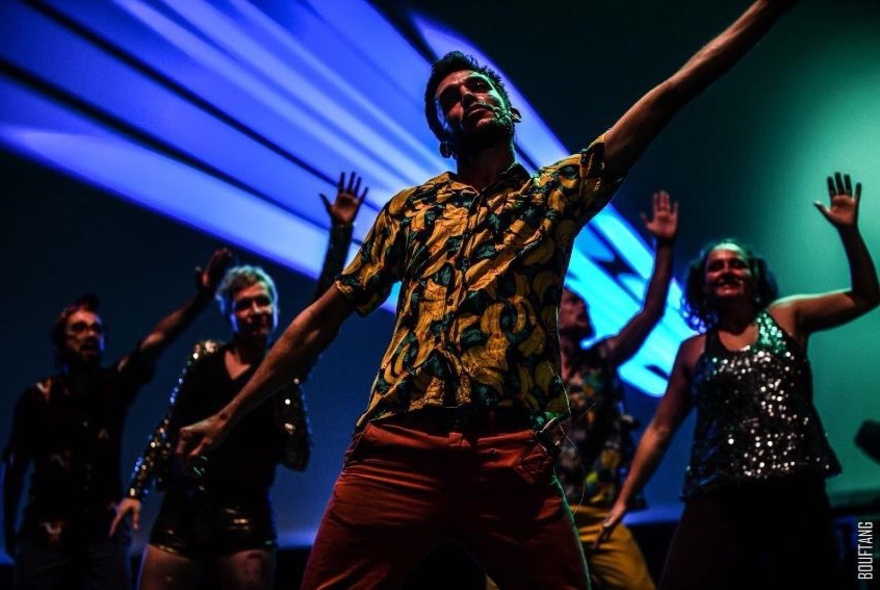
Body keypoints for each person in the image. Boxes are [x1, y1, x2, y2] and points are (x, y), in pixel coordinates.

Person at [176, 3, 800, 588]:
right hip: (397, 448)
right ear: (444, 133)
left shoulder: (552, 197)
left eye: (478, 87)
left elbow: (673, 92)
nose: (468, 97)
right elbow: (319, 322)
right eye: (451, 99)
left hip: (508, 458)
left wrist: (766, 10)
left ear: (508, 107)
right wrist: (229, 416)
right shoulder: (410, 211)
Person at [599, 172, 879, 589]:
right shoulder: (693, 350)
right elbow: (660, 429)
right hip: (719, 493)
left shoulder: (788, 316)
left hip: (794, 485)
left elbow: (866, 296)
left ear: (753, 276)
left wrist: (849, 233)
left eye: (736, 264)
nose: (727, 271)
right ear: (703, 284)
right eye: (716, 267)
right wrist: (624, 497)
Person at [109, 173, 367, 590]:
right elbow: (169, 424)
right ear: (230, 314)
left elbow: (322, 307)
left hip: (246, 516)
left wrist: (341, 233)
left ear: (275, 311)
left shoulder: (283, 368)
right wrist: (135, 491)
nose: (255, 311)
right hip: (182, 509)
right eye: (244, 305)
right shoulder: (205, 356)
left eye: (262, 302)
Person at [2, 249, 232, 590]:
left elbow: (156, 342)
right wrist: (9, 534)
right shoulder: (37, 398)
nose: (91, 334)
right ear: (60, 342)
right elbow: (14, 468)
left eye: (97, 328)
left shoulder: (112, 387)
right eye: (79, 328)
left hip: (102, 536)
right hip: (45, 536)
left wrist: (202, 299)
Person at [558, 190, 677, 590]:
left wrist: (663, 246)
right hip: (537, 511)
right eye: (573, 302)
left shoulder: (602, 358)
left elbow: (651, 313)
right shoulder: (529, 369)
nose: (584, 308)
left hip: (595, 512)